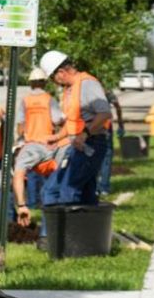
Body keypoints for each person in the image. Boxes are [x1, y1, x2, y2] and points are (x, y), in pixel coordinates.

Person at [38, 50, 112, 206]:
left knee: (68, 191)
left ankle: (67, 229)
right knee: (78, 191)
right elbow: (72, 121)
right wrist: (58, 137)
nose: (54, 82)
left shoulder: (87, 84)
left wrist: (84, 134)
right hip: (78, 146)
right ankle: (85, 228)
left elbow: (104, 113)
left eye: (53, 77)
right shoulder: (70, 89)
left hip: (91, 144)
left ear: (61, 72)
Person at [16, 67, 64, 210]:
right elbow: (57, 120)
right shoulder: (49, 99)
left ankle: (30, 203)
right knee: (48, 176)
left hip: (30, 143)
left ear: (31, 83)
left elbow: (20, 124)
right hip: (47, 144)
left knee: (28, 173)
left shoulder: (25, 100)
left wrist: (21, 139)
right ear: (44, 83)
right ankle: (46, 204)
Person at [11, 142, 69, 230]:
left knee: (48, 193)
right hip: (72, 155)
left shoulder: (24, 155)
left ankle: (46, 236)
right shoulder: (38, 154)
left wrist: (21, 206)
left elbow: (18, 177)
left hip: (69, 157)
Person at [97, 87, 125, 196]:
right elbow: (117, 107)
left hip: (92, 128)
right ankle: (104, 188)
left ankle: (96, 187)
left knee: (94, 158)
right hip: (104, 127)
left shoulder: (86, 91)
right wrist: (121, 125)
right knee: (106, 159)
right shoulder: (106, 92)